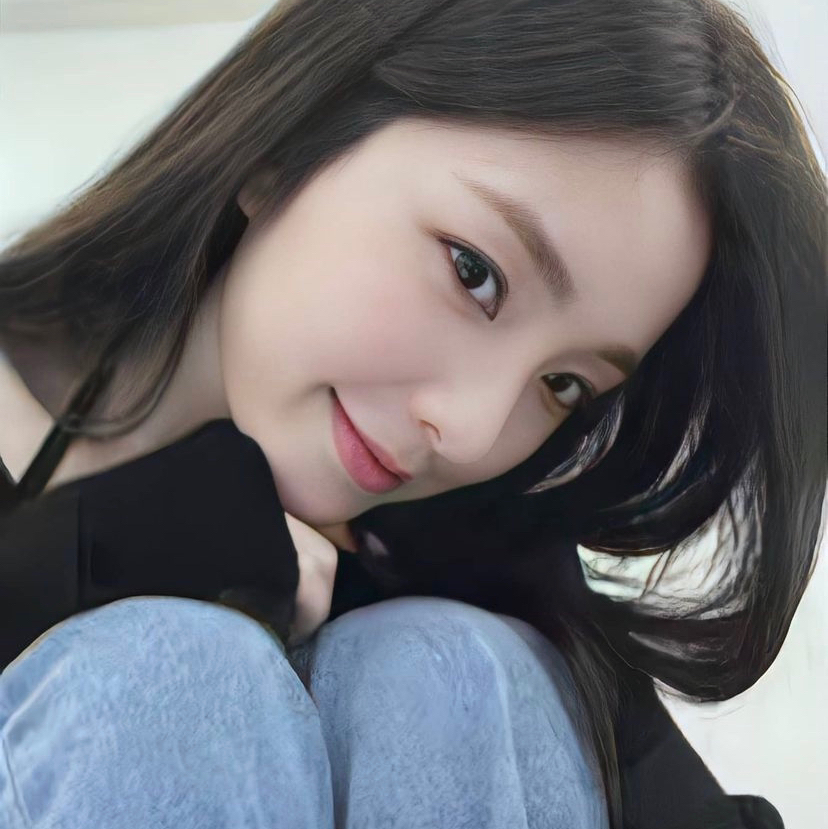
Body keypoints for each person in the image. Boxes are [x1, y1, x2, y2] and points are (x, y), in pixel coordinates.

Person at [0, 0, 824, 826]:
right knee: (181, 677)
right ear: (288, 142)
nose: (472, 430)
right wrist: (122, 539)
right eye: (474, 272)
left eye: (564, 384)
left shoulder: (473, 564)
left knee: (446, 669)